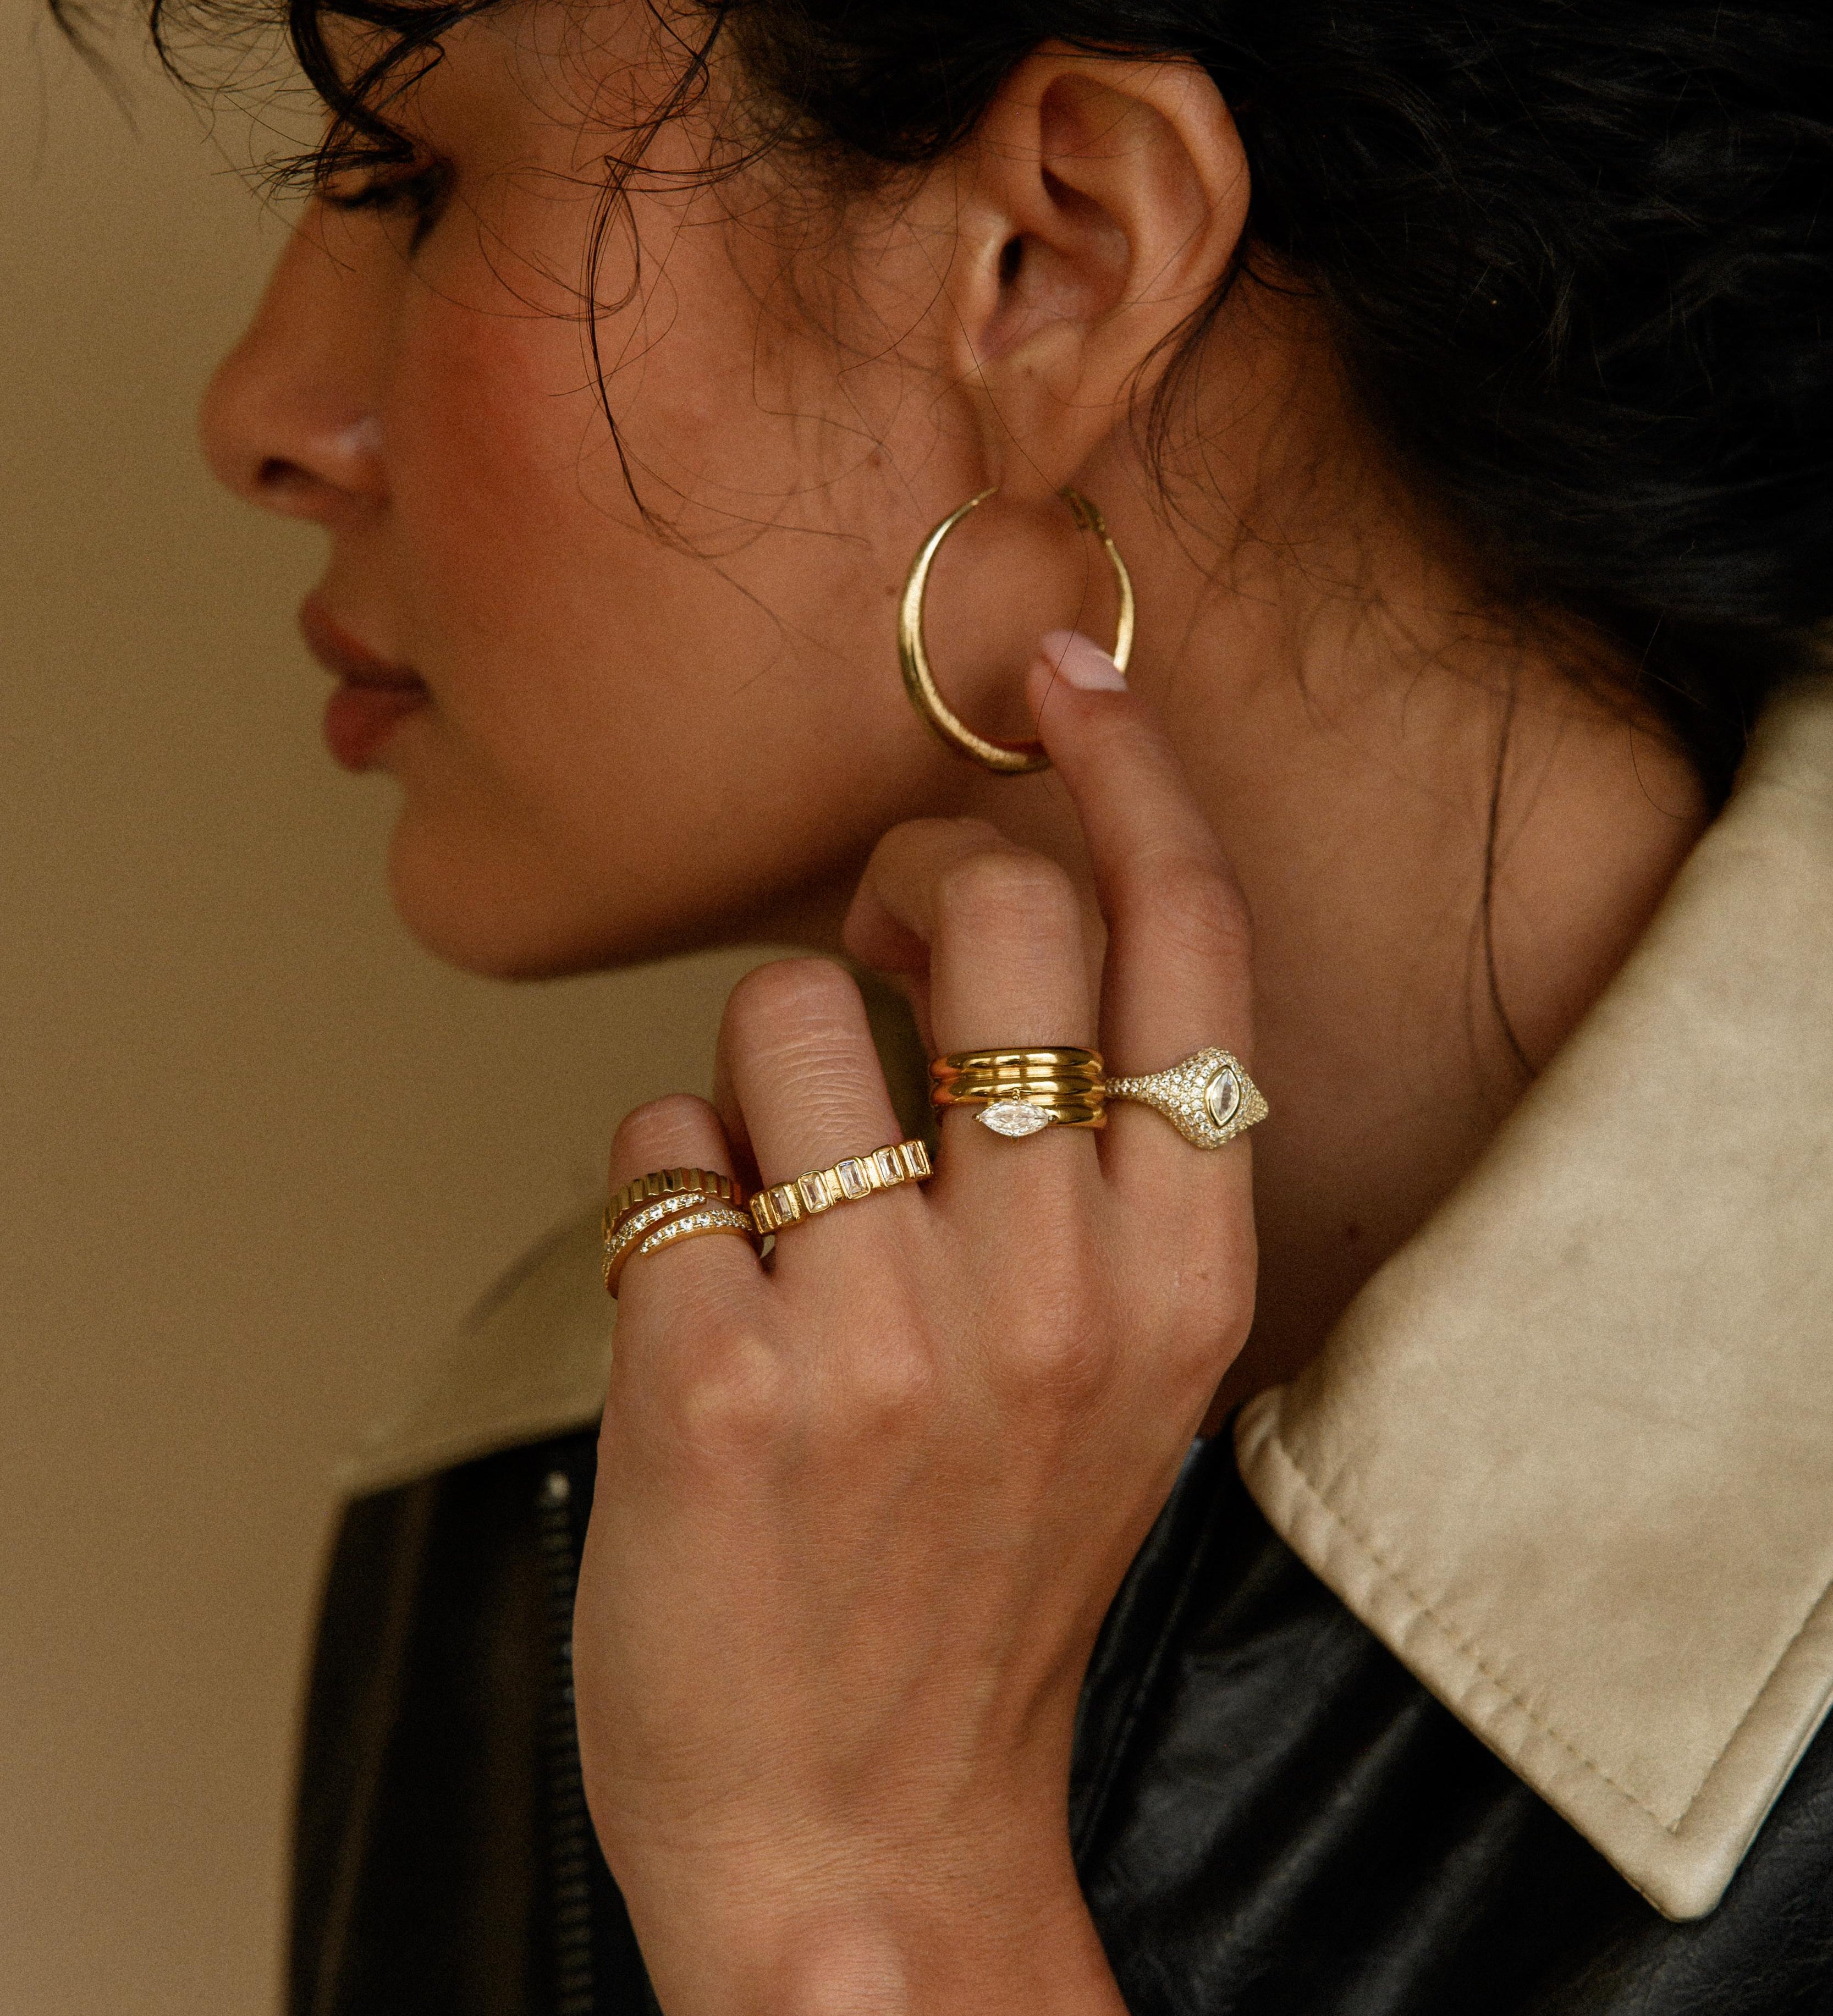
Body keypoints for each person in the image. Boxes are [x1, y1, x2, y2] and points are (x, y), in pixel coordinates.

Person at [159, 0, 1833, 2007]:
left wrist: (864, 1908)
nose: (258, 410)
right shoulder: (569, 1473)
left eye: (409, 178)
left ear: (1059, 260)